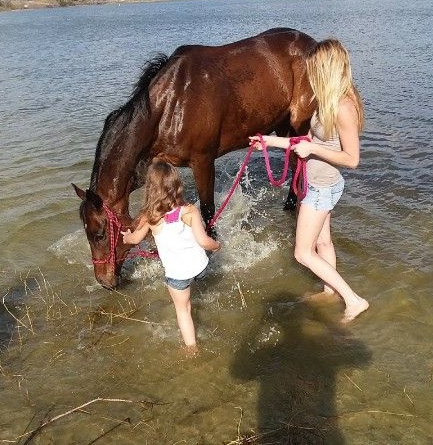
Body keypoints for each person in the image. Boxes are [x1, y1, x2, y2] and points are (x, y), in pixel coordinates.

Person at [250, 38, 369, 323]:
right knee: (324, 244)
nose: (309, 75)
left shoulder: (343, 107)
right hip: (322, 185)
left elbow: (352, 159)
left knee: (303, 253)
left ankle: (353, 300)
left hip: (322, 188)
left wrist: (313, 149)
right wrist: (269, 141)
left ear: (327, 69)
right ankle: (330, 291)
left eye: (314, 69)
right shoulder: (328, 100)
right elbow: (309, 139)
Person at [120, 160, 221, 348]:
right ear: (176, 185)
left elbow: (134, 240)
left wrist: (126, 237)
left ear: (150, 189)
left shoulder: (149, 217)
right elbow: (204, 242)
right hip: (199, 267)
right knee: (200, 276)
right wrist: (217, 246)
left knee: (183, 309)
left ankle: (192, 349)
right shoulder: (189, 211)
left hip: (176, 275)